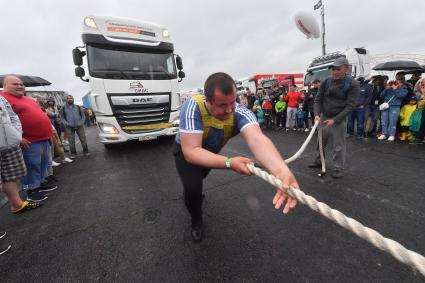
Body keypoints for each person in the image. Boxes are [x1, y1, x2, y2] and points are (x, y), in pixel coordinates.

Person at [173, 72, 300, 242]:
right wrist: (229, 162)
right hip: (186, 151)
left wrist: (281, 171)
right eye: (222, 105)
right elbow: (192, 152)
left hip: (210, 153)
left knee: (199, 179)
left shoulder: (239, 111)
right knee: (193, 187)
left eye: (232, 102)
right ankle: (196, 219)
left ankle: (193, 196)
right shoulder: (192, 106)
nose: (229, 109)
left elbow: (257, 139)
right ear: (208, 101)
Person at [1, 76, 54, 202]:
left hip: (43, 138)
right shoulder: (3, 99)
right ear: (5, 86)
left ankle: (40, 184)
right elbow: (7, 122)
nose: (20, 86)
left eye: (21, 84)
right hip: (28, 140)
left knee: (43, 163)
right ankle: (32, 190)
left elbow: (40, 114)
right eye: (15, 84)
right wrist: (19, 138)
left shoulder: (28, 99)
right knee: (32, 165)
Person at [309, 57, 360, 179]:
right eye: (333, 69)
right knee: (320, 141)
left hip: (338, 118)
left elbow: (350, 106)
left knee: (338, 145)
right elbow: (318, 99)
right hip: (324, 116)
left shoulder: (353, 84)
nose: (335, 72)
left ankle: (338, 167)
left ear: (346, 69)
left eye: (338, 69)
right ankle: (318, 160)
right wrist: (316, 114)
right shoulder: (326, 81)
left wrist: (335, 120)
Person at [0, 95, 42, 213]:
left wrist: (16, 136)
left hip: (9, 144)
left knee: (9, 177)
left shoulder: (1, 98)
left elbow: (13, 116)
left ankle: (17, 205)